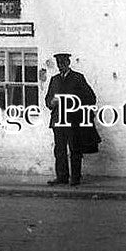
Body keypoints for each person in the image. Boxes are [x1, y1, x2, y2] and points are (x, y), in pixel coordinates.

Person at [45, 52, 99, 186]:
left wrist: (76, 105)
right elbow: (48, 100)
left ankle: (75, 177)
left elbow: (91, 98)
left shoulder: (77, 78)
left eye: (63, 63)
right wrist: (52, 102)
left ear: (68, 63)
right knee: (59, 150)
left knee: (75, 149)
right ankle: (62, 177)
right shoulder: (54, 80)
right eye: (58, 64)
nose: (60, 66)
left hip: (73, 121)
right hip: (58, 121)